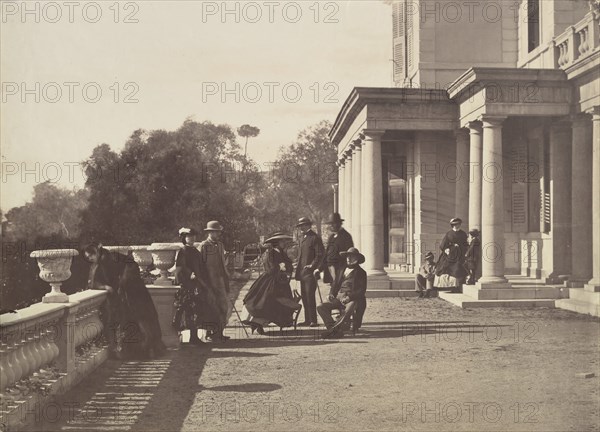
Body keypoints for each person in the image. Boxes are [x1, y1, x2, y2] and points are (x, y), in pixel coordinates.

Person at [84, 243, 166, 359]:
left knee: (141, 318)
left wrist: (123, 282)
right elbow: (94, 282)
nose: (90, 259)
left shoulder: (110, 257)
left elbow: (130, 265)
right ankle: (138, 352)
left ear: (96, 252)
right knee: (131, 320)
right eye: (87, 258)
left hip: (133, 292)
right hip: (126, 293)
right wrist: (106, 287)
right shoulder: (101, 262)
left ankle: (147, 350)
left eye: (91, 255)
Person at [241, 232, 301, 334]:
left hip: (281, 282)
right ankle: (257, 324)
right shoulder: (270, 253)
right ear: (277, 243)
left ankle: (282, 321)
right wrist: (279, 267)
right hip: (270, 281)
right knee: (265, 301)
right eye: (282, 242)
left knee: (281, 301)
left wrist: (286, 267)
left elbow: (289, 264)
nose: (284, 243)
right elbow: (269, 268)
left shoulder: (282, 252)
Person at [317, 247, 367, 339]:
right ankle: (333, 328)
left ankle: (333, 331)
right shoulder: (341, 269)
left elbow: (361, 290)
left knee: (349, 308)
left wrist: (349, 297)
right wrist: (331, 294)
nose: (348, 258)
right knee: (320, 306)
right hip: (338, 297)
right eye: (347, 256)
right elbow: (335, 284)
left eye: (351, 256)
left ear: (356, 259)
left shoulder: (361, 273)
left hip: (352, 299)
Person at [197, 220, 231, 342]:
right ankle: (210, 333)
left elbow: (223, 264)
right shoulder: (203, 246)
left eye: (218, 232)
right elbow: (199, 266)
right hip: (209, 282)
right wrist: (204, 283)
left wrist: (226, 277)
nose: (217, 234)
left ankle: (219, 332)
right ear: (209, 232)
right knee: (211, 308)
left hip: (221, 281)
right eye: (215, 232)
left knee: (224, 307)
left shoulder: (220, 245)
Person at [172, 227, 206, 345]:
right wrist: (189, 274)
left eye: (193, 236)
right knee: (189, 310)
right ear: (184, 238)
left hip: (197, 283)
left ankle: (194, 336)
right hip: (187, 285)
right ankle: (192, 337)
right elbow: (180, 266)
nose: (192, 238)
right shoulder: (184, 251)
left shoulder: (195, 251)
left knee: (195, 310)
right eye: (189, 236)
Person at [294, 217, 324, 327]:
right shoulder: (303, 238)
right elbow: (302, 256)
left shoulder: (314, 238)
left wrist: (313, 266)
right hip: (302, 273)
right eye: (300, 225)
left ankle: (313, 321)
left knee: (310, 296)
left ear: (308, 225)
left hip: (310, 273)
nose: (301, 227)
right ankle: (307, 320)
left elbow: (319, 254)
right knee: (305, 297)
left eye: (303, 225)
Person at [435, 217, 469, 291]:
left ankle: (457, 287)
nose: (457, 226)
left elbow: (466, 244)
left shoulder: (463, 234)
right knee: (444, 267)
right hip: (450, 254)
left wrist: (461, 247)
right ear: (452, 225)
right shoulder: (449, 233)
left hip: (460, 254)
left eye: (458, 224)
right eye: (455, 224)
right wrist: (447, 249)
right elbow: (443, 245)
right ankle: (447, 286)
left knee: (458, 268)